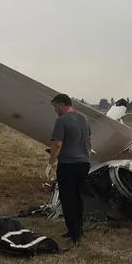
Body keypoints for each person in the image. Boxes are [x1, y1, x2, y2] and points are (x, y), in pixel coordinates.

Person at [47, 93, 91, 243]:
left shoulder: (61, 120)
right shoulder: (83, 119)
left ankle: (74, 233)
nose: (55, 110)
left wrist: (51, 162)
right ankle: (78, 228)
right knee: (78, 197)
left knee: (68, 198)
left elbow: (57, 144)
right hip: (84, 164)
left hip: (68, 165)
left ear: (61, 105)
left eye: (55, 107)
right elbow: (88, 140)